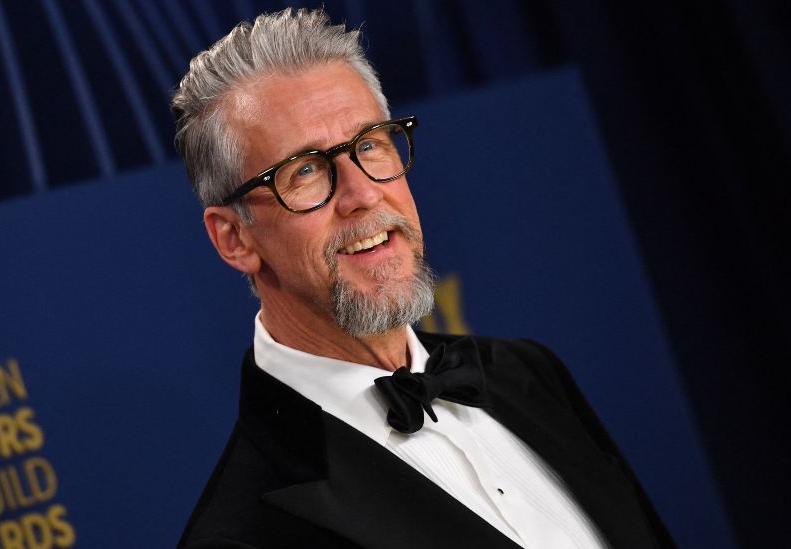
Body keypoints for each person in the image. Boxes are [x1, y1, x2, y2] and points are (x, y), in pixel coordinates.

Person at [172, 8, 673, 549]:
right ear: (234, 239)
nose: (363, 194)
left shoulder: (527, 373)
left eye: (369, 144)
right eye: (307, 171)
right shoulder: (242, 536)